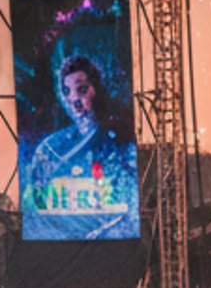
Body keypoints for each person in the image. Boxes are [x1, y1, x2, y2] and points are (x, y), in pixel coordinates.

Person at [24, 55, 140, 236]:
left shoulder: (119, 143)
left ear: (96, 90)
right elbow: (35, 205)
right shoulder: (51, 148)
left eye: (82, 89)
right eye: (67, 91)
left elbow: (130, 207)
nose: (74, 99)